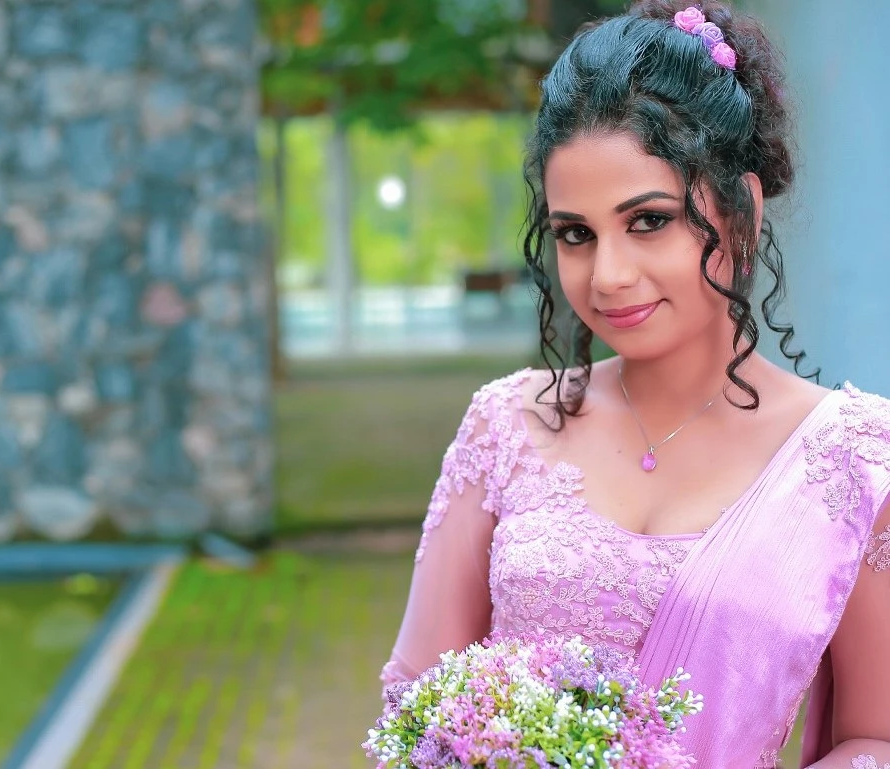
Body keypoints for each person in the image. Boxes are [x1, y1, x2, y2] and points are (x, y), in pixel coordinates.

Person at [379, 1, 890, 767]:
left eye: (647, 221)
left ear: (741, 212)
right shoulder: (507, 425)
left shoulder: (855, 458)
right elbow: (412, 702)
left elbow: (875, 735)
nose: (608, 275)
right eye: (575, 234)